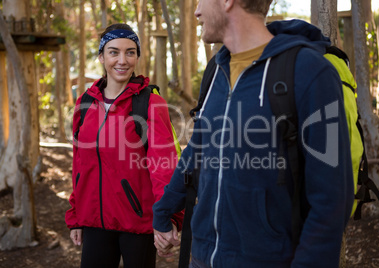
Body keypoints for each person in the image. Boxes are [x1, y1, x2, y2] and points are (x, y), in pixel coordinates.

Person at [152, 0, 354, 267]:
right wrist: (163, 211)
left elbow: (331, 200)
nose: (197, 11)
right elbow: (198, 150)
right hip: (201, 257)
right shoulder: (216, 69)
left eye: (201, 0)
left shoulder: (310, 71)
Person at [65, 23, 183, 268]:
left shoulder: (151, 103)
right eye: (113, 52)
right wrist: (76, 215)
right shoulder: (85, 103)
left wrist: (169, 217)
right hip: (95, 223)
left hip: (138, 225)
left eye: (130, 52)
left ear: (138, 56)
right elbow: (80, 164)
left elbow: (164, 166)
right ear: (101, 56)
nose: (122, 60)